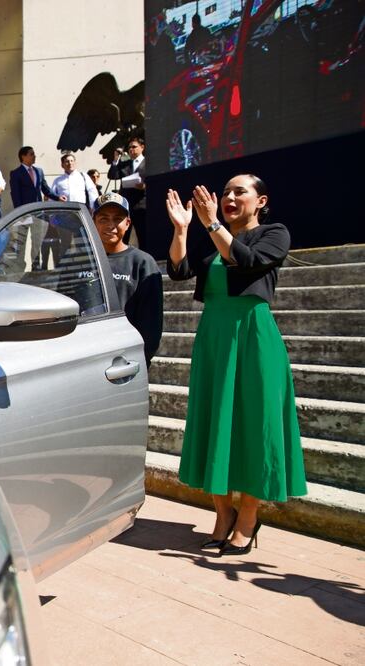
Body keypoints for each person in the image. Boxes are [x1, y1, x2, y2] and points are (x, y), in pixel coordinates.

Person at [165, 174, 306, 556]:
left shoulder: (273, 234)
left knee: (253, 424)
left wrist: (212, 223)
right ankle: (222, 515)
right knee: (215, 422)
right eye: (225, 191)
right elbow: (179, 271)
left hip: (253, 339)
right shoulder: (213, 242)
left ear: (260, 201)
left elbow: (244, 261)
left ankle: (247, 519)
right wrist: (182, 229)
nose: (229, 197)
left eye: (239, 191)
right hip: (214, 339)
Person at [92, 193, 162, 365]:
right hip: (84, 359)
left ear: (128, 223)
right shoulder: (78, 260)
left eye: (117, 218)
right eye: (103, 219)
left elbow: (151, 326)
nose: (111, 225)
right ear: (93, 222)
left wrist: (135, 362)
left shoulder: (143, 263)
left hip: (123, 362)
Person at [107, 136, 147, 249]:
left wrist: (144, 186)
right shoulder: (125, 164)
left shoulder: (149, 163)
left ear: (142, 147)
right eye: (129, 148)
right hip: (126, 206)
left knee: (143, 236)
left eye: (134, 147)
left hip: (141, 205)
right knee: (123, 236)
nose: (131, 150)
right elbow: (113, 176)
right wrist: (115, 160)